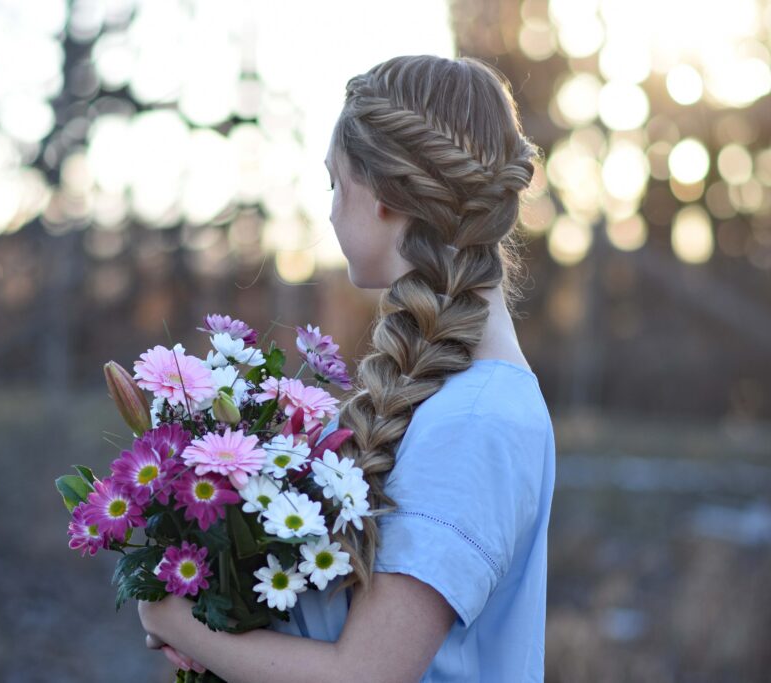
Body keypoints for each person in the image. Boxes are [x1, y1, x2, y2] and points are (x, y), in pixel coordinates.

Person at [137, 53, 555, 682]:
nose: (331, 210)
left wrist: (173, 620)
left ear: (387, 194)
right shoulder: (455, 399)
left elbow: (363, 674)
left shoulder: (476, 421)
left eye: (337, 183)